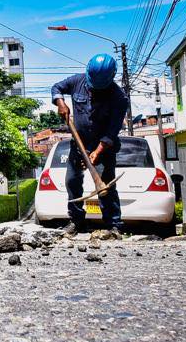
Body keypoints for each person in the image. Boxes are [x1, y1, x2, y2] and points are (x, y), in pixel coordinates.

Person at [51, 53, 130, 235]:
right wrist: (60, 102)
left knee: (106, 186)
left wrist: (97, 152)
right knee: (72, 182)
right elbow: (56, 87)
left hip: (104, 148)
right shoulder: (78, 81)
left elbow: (112, 132)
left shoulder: (119, 98)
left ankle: (114, 225)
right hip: (79, 145)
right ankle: (77, 222)